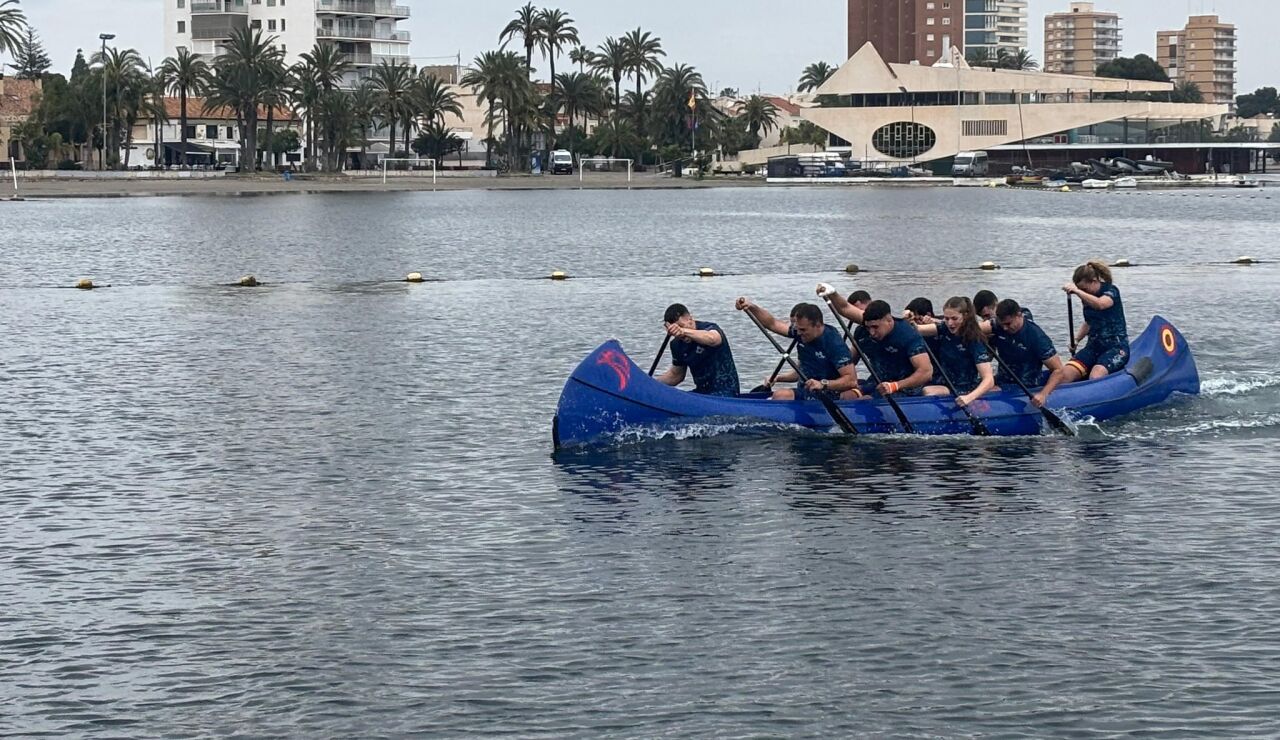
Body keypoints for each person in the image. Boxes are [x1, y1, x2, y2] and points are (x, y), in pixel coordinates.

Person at [735, 298, 861, 401]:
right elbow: (772, 323)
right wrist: (752, 307)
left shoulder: (833, 343)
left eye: (803, 330)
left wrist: (823, 384)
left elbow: (851, 380)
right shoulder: (801, 332)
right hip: (806, 391)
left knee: (781, 395)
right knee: (780, 395)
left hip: (829, 393)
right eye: (797, 329)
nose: (798, 333)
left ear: (817, 325)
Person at [912, 297, 997, 408]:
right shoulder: (944, 328)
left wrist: (969, 398)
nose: (950, 323)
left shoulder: (974, 340)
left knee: (927, 391)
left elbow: (989, 379)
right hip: (943, 382)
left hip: (963, 388)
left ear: (965, 316)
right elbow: (916, 329)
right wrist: (909, 319)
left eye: (954, 318)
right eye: (946, 318)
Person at [988, 299, 1067, 408]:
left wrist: (1043, 394)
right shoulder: (999, 326)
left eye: (1008, 324)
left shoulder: (1037, 337)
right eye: (1002, 325)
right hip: (1002, 380)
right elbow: (977, 328)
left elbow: (1058, 370)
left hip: (1025, 386)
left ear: (1019, 315)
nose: (1005, 328)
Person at [848, 300, 934, 398]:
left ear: (889, 321)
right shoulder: (862, 332)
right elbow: (850, 362)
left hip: (905, 388)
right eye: (868, 327)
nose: (872, 333)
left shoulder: (907, 335)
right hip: (877, 382)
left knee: (866, 400)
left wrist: (895, 386)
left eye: (875, 327)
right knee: (846, 396)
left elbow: (926, 372)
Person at [1062, 260, 1129, 382]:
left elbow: (1100, 304)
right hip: (1093, 347)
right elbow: (1089, 322)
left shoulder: (1111, 290)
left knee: (1096, 375)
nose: (1083, 292)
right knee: (1065, 374)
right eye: (1080, 289)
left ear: (1094, 281)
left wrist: (1077, 291)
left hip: (1116, 348)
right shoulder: (1086, 297)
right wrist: (1076, 340)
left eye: (1084, 289)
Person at [654, 303, 740, 397]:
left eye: (681, 326)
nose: (679, 334)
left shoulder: (709, 328)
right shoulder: (676, 345)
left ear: (690, 319)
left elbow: (713, 339)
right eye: (675, 330)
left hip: (726, 391)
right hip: (702, 392)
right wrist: (650, 383)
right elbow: (676, 375)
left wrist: (683, 331)